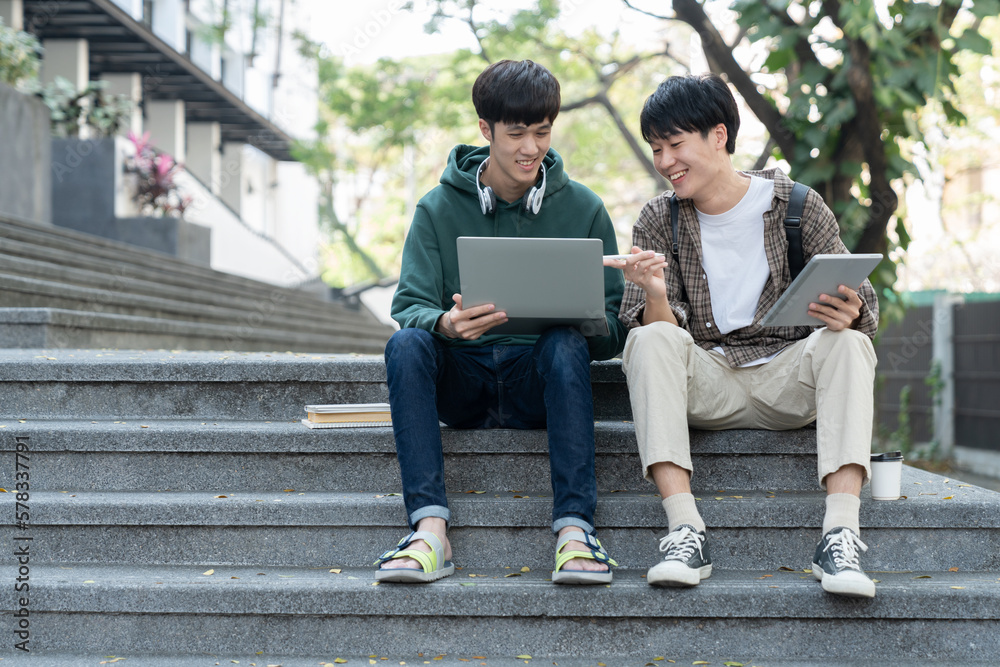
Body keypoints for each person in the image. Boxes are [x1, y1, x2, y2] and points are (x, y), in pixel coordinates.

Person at [607, 74, 880, 598]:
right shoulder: (658, 218)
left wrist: (847, 311)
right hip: (708, 380)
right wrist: (657, 294)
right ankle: (685, 530)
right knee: (645, 339)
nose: (665, 162)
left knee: (849, 343)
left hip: (787, 378)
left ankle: (841, 534)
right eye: (657, 149)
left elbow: (865, 303)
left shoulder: (796, 206)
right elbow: (654, 330)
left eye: (675, 145)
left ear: (718, 136)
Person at [375, 59, 628, 585]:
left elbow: (612, 333)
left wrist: (581, 320)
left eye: (542, 132)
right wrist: (445, 323)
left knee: (563, 342)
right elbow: (408, 305)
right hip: (462, 384)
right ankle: (429, 532)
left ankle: (575, 530)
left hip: (537, 382)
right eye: (516, 134)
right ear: (486, 130)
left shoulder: (584, 209)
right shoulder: (436, 208)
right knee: (405, 345)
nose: (531, 148)